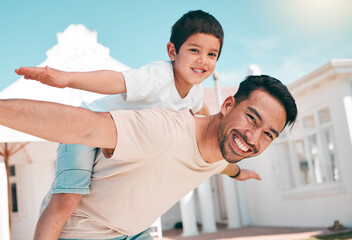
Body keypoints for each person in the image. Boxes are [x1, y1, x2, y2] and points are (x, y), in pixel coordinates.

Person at [0, 75, 297, 240]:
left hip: (132, 233)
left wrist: (240, 174)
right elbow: (85, 127)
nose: (253, 139)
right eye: (252, 119)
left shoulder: (224, 151)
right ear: (228, 104)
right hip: (83, 236)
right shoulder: (164, 129)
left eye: (269, 134)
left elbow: (225, 167)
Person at [15, 10, 226, 240]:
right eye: (194, 50)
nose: (203, 60)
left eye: (212, 54)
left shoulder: (195, 93)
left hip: (115, 140)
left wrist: (224, 122)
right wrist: (66, 79)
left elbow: (203, 113)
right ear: (172, 52)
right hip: (87, 127)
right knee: (67, 200)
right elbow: (115, 80)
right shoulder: (158, 76)